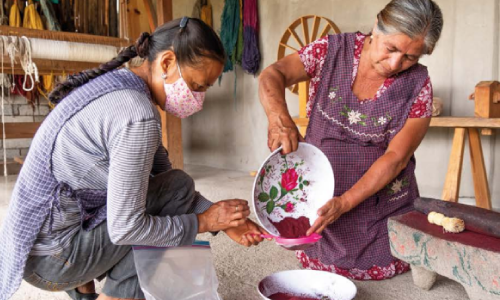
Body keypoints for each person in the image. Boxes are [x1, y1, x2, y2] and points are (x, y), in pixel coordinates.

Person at [0, 17, 266, 300]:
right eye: (197, 86)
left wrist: (224, 222)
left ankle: (83, 286)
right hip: (53, 259)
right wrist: (206, 222)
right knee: (171, 191)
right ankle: (115, 296)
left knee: (171, 187)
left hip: (34, 247)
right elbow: (127, 227)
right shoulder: (137, 115)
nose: (198, 99)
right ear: (166, 62)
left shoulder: (118, 87)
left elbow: (163, 182)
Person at [258, 0, 443, 280]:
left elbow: (396, 158)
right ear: (375, 28)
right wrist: (279, 118)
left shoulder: (419, 86)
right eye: (391, 49)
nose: (395, 64)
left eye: (411, 57)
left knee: (385, 253)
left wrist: (344, 203)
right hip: (319, 191)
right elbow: (274, 73)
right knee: (314, 234)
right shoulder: (331, 51)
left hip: (379, 203)